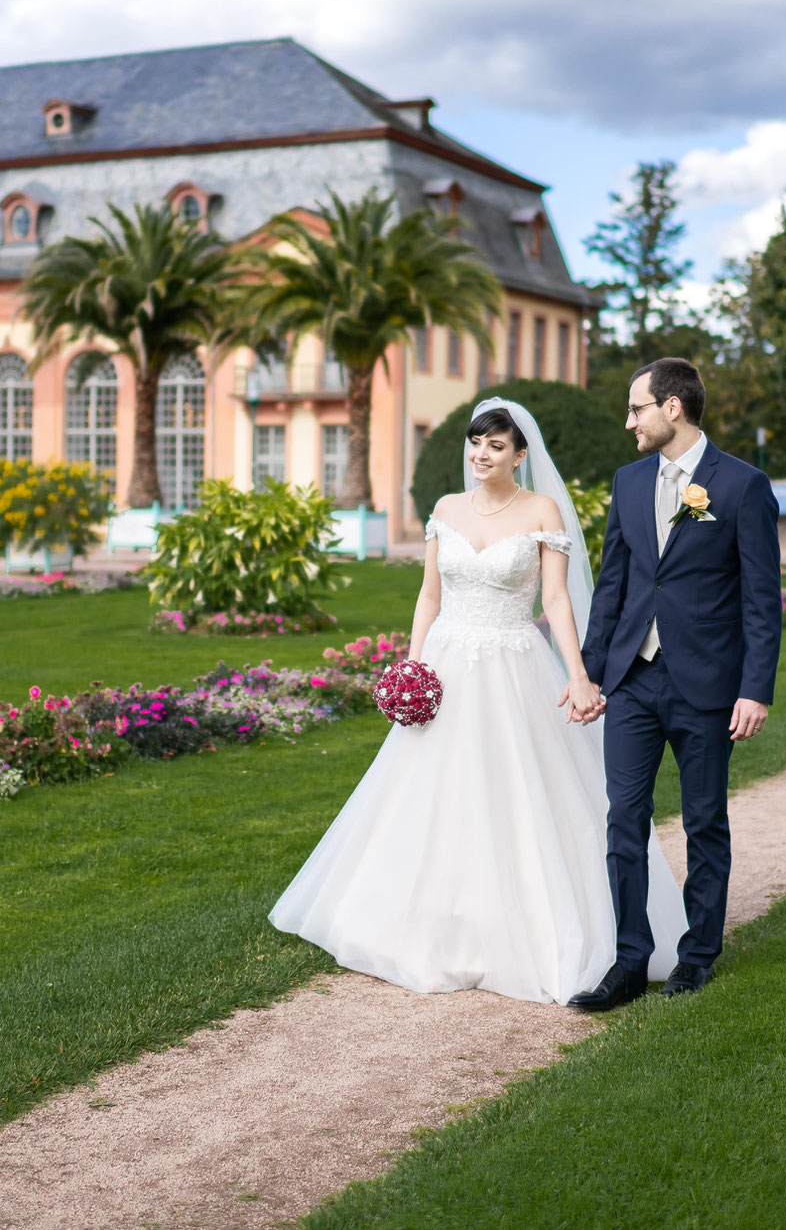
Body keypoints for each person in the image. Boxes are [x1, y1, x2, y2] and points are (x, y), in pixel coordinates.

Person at [270, 400, 686, 1004]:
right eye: (474, 444)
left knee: (514, 792)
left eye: (495, 446)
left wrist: (577, 675)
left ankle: (517, 929)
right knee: (432, 793)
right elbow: (429, 595)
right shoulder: (445, 510)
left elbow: (557, 602)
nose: (481, 455)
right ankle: (428, 923)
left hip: (515, 665)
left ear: (520, 455)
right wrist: (414, 665)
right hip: (446, 664)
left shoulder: (541, 511)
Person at [569, 356, 782, 1011]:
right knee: (623, 820)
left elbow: (761, 601)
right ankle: (630, 959)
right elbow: (614, 586)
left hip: (706, 684)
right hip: (633, 681)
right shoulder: (629, 483)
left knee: (703, 821)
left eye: (636, 407)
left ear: (672, 408)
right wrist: (591, 673)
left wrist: (755, 688)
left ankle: (697, 956)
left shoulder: (742, 486)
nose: (627, 420)